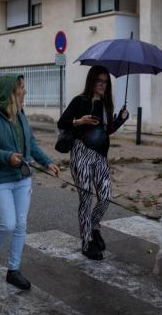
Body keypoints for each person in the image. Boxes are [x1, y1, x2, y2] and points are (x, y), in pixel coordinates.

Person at [0, 73, 60, 290]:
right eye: (21, 87)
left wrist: (47, 162)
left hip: (23, 177)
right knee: (8, 224)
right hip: (0, 179)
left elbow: (30, 142)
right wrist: (7, 156)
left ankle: (14, 270)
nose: (25, 91)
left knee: (21, 225)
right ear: (9, 93)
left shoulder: (21, 114)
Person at [57, 65, 128, 260]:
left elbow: (106, 130)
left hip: (100, 156)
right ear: (92, 81)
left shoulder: (106, 105)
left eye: (105, 82)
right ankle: (87, 241)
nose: (102, 85)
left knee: (105, 196)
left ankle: (94, 225)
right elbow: (61, 122)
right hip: (81, 153)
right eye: (99, 81)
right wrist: (80, 121)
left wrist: (120, 120)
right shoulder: (80, 101)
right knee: (86, 199)